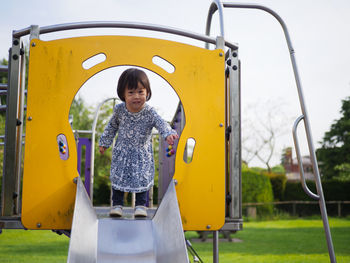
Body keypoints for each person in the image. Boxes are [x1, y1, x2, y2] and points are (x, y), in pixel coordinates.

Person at [99, 68, 178, 218]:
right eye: (131, 92)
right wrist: (104, 142)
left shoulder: (149, 112)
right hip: (122, 152)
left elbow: (161, 123)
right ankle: (117, 205)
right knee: (119, 176)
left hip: (142, 153)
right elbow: (111, 127)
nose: (136, 96)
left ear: (147, 93)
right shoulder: (119, 110)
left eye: (141, 92)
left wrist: (168, 134)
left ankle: (141, 206)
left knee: (142, 176)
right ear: (123, 94)